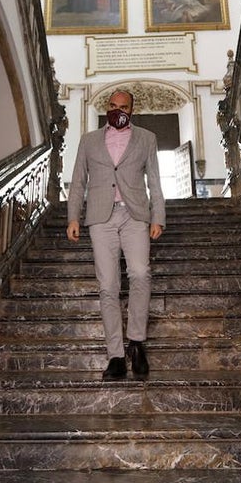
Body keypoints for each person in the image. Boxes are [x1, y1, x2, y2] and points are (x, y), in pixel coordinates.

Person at [67, 89, 165, 380]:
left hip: (135, 215)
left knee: (140, 273)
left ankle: (136, 343)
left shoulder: (146, 138)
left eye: (122, 106)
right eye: (112, 105)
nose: (116, 110)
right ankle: (116, 357)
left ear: (131, 110)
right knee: (108, 286)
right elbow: (77, 182)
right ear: (105, 107)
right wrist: (73, 217)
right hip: (100, 217)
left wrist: (157, 216)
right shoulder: (89, 141)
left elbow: (155, 182)